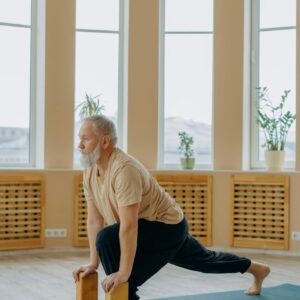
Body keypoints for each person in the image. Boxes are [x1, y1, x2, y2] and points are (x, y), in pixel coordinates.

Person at [72, 115, 270, 299]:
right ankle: (257, 269)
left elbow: (129, 226)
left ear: (105, 141)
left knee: (108, 241)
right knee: (206, 260)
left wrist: (124, 273)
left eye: (85, 139)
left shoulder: (124, 170)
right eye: (80, 139)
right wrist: (93, 264)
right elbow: (94, 219)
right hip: (151, 226)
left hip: (167, 226)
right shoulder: (90, 171)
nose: (79, 145)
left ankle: (126, 294)